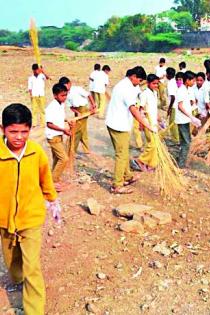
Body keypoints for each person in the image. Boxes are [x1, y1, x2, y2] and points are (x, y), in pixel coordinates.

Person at [0, 103, 59, 315]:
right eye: (13, 131)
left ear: (30, 129)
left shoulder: (36, 153)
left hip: (31, 217)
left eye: (24, 131)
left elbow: (46, 179)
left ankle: (34, 309)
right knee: (11, 257)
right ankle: (16, 278)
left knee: (32, 265)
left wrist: (53, 201)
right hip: (4, 218)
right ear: (2, 129)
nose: (19, 136)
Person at [105, 66, 156, 194]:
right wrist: (145, 123)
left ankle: (127, 176)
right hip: (118, 125)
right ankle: (117, 185)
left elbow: (137, 100)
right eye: (139, 80)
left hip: (116, 123)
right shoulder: (126, 88)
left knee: (124, 152)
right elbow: (133, 109)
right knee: (121, 155)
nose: (139, 84)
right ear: (133, 76)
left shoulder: (126, 84)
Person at [132, 74, 162, 172]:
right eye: (154, 83)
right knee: (152, 144)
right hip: (147, 122)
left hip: (154, 122)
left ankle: (151, 164)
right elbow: (140, 109)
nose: (156, 85)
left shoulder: (155, 93)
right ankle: (141, 160)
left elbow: (154, 108)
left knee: (156, 144)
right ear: (148, 83)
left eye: (157, 84)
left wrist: (158, 118)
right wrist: (142, 123)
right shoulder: (144, 93)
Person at [45, 83, 72, 192]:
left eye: (66, 95)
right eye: (62, 95)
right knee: (64, 159)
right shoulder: (51, 107)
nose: (64, 98)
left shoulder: (60, 104)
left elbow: (59, 117)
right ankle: (52, 182)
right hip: (53, 136)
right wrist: (63, 130)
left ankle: (54, 179)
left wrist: (67, 120)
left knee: (57, 158)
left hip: (58, 135)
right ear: (55, 95)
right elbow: (49, 124)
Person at [59, 76, 96, 154]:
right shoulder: (66, 94)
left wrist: (93, 105)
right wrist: (77, 112)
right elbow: (71, 107)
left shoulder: (77, 89)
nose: (66, 89)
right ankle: (85, 149)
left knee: (78, 130)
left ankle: (73, 149)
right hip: (77, 111)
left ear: (69, 83)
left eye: (66, 86)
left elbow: (88, 95)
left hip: (83, 109)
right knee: (82, 129)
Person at [174, 71, 201, 168]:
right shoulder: (181, 90)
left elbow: (185, 104)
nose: (194, 82)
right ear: (187, 80)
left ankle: (181, 160)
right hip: (182, 120)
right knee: (186, 142)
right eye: (193, 80)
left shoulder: (186, 89)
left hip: (185, 119)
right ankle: (181, 164)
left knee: (185, 141)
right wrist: (191, 117)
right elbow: (180, 106)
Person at [166, 67, 179, 143]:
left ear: (168, 74)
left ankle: (175, 139)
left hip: (174, 105)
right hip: (176, 105)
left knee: (172, 123)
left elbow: (173, 97)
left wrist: (169, 108)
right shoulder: (175, 81)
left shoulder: (170, 83)